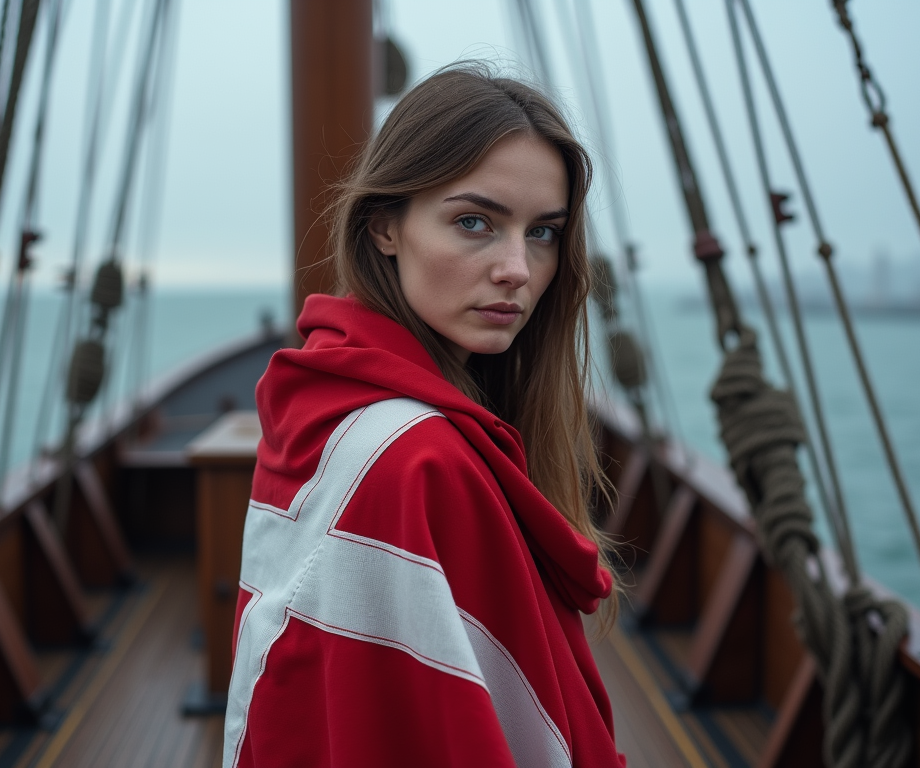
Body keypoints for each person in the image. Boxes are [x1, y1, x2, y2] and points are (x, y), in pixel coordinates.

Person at [223, 64, 626, 768]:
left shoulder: (322, 402)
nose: (518, 269)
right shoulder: (419, 460)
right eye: (475, 222)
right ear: (385, 226)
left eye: (543, 233)